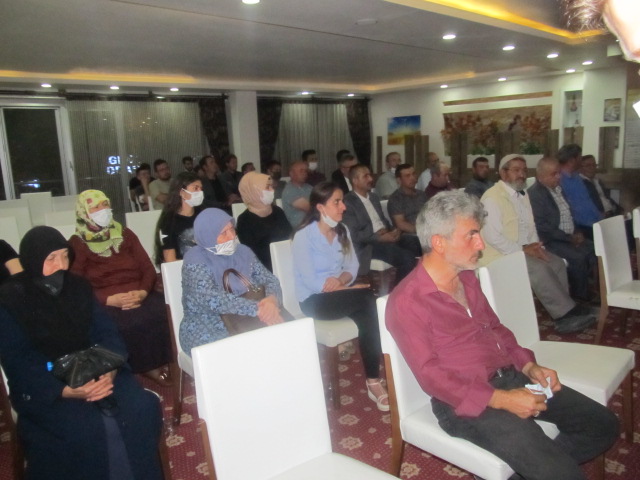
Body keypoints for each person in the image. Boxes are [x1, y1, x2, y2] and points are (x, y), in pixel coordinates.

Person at [386, 191, 618, 480]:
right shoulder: (408, 301)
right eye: (471, 235)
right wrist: (502, 400)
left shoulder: (467, 278)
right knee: (560, 472)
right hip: (467, 403)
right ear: (439, 243)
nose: (481, 244)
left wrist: (529, 366)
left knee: (602, 424)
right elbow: (431, 376)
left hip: (511, 376)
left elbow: (496, 329)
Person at [0, 226, 163, 480]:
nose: (61, 265)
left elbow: (107, 333)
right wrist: (66, 390)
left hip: (97, 368)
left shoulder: (78, 287)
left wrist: (109, 370)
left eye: (65, 256)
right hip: (47, 383)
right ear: (32, 260)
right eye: (51, 258)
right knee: (84, 428)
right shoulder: (10, 299)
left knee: (140, 409)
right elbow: (18, 360)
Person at [292, 181, 388, 411]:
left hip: (340, 294)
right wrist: (343, 286)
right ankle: (374, 380)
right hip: (313, 300)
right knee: (369, 301)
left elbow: (352, 267)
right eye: (337, 202)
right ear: (320, 207)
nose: (343, 207)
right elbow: (311, 281)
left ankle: (373, 379)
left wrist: (342, 281)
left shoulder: (342, 230)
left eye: (342, 201)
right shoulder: (304, 237)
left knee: (368, 310)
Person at [480, 155, 595, 333]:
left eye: (524, 170)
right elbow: (492, 237)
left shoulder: (522, 194)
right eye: (516, 170)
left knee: (556, 262)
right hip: (498, 255)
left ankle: (565, 309)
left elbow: (531, 225)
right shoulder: (492, 198)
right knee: (538, 268)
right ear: (503, 173)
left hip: (523, 250)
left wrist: (536, 247)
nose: (522, 174)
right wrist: (523, 250)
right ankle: (564, 316)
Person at [68, 190, 172, 386]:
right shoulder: (77, 243)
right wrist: (109, 299)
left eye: (105, 204)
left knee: (164, 311)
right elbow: (75, 284)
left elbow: (147, 268)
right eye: (96, 207)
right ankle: (146, 367)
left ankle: (167, 359)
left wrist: (142, 292)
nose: (103, 210)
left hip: (138, 292)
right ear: (84, 213)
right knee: (128, 322)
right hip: (105, 300)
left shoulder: (125, 234)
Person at [179, 208, 285, 354]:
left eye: (232, 229)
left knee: (285, 339)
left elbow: (269, 279)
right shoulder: (195, 260)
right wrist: (258, 309)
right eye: (223, 233)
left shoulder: (243, 252)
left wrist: (271, 301)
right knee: (246, 352)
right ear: (208, 235)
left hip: (251, 316)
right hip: (207, 323)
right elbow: (211, 299)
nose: (231, 237)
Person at [528, 157, 596, 302]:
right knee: (578, 257)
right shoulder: (535, 194)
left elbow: (570, 214)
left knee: (593, 249)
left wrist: (577, 232)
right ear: (540, 176)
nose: (558, 176)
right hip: (551, 240)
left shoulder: (559, 189)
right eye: (554, 174)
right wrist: (569, 238)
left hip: (569, 236)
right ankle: (579, 297)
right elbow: (543, 227)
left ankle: (582, 286)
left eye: (559, 172)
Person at [343, 165, 419, 282]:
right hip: (368, 245)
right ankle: (399, 291)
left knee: (419, 244)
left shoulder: (373, 197)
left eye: (370, 175)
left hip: (385, 236)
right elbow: (354, 235)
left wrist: (395, 231)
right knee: (406, 258)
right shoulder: (348, 202)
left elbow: (383, 220)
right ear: (355, 180)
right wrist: (379, 237)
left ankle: (419, 284)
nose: (370, 179)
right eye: (365, 176)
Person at [236, 172, 292, 271]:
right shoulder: (244, 221)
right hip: (265, 268)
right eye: (267, 187)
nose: (272, 190)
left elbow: (290, 236)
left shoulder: (277, 211)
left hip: (287, 260)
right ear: (254, 191)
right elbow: (251, 254)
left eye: (271, 186)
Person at [154, 171, 203, 265]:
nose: (200, 192)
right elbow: (170, 260)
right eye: (195, 188)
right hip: (181, 268)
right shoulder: (168, 221)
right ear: (182, 192)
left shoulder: (203, 215)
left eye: (201, 189)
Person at [557, 144, 603, 240]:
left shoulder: (577, 176)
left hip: (596, 222)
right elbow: (568, 208)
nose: (581, 160)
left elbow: (587, 200)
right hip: (581, 227)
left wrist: (600, 217)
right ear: (572, 160)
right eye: (579, 157)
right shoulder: (559, 180)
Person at [387, 163, 427, 234]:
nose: (412, 178)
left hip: (427, 230)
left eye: (413, 174)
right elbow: (401, 224)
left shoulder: (422, 194)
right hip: (408, 235)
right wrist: (422, 231)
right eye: (407, 176)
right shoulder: (395, 199)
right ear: (399, 180)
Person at [282, 160, 312, 228]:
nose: (304, 173)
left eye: (306, 171)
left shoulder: (309, 187)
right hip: (300, 227)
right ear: (291, 173)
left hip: (312, 224)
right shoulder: (289, 190)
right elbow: (310, 208)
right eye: (301, 171)